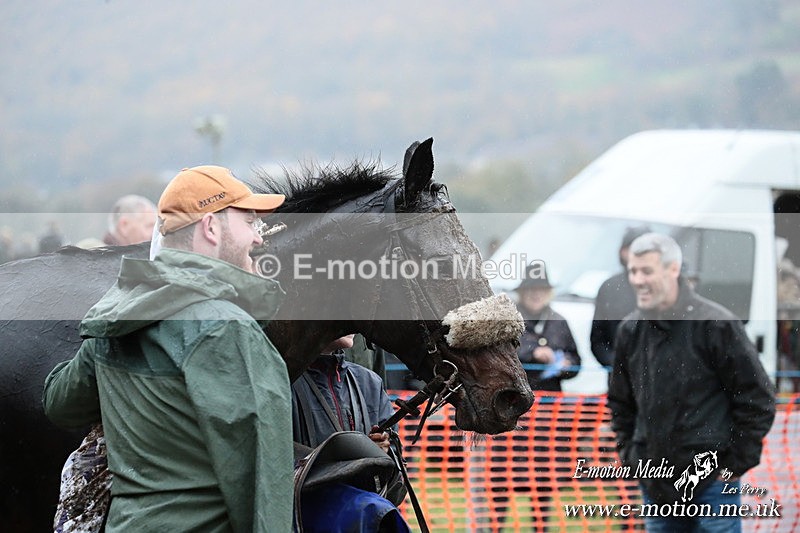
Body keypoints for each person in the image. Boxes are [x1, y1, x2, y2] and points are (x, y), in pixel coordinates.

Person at [42, 165, 293, 532]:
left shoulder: (118, 316)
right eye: (249, 222)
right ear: (211, 227)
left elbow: (60, 404)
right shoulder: (227, 328)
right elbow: (262, 486)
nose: (258, 238)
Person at [608, 233, 776, 532]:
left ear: (673, 268)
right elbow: (621, 403)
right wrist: (632, 455)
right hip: (656, 483)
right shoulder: (630, 331)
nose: (637, 280)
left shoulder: (717, 324)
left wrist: (735, 464)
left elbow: (758, 399)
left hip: (712, 484)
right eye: (632, 271)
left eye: (646, 271)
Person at [590, 225, 651, 367]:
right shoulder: (609, 288)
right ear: (623, 251)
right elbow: (598, 340)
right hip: (619, 374)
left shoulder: (664, 287)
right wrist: (618, 365)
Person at [515, 265, 580, 391]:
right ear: (522, 292)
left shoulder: (559, 321)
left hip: (551, 395)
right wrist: (532, 354)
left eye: (541, 289)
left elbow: (575, 360)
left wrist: (566, 365)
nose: (536, 294)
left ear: (549, 293)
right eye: (531, 289)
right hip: (518, 393)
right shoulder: (509, 321)